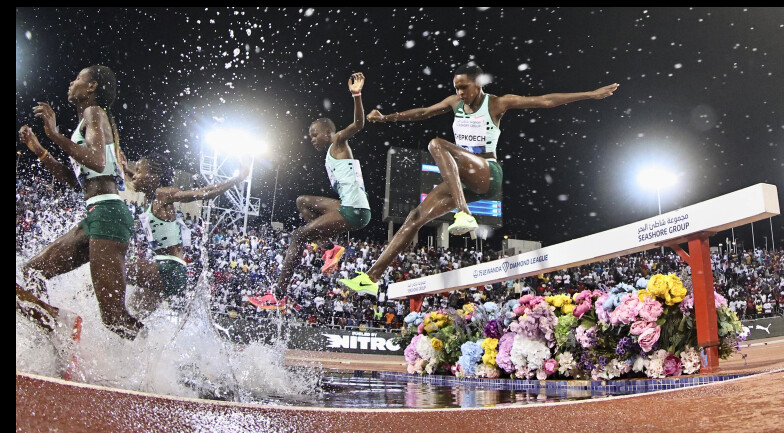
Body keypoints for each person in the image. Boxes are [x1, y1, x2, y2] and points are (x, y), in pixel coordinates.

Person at [341, 63, 618, 295]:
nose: (459, 93)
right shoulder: (455, 103)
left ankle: (464, 213)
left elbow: (545, 100)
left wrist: (590, 94)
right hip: (461, 180)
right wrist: (387, 118)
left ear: (478, 85)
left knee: (437, 144)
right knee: (414, 217)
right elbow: (424, 112)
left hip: (487, 172)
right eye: (456, 88)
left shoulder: (496, 103)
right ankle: (371, 278)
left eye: (464, 87)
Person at [17, 65, 143, 340]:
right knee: (32, 274)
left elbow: (96, 160)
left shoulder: (94, 112)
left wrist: (54, 135)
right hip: (97, 213)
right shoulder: (87, 121)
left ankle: (158, 355)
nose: (71, 82)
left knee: (114, 319)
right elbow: (77, 182)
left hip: (109, 215)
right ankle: (60, 328)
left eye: (78, 79)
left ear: (92, 87)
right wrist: (40, 150)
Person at [274, 73, 373, 295]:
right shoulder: (331, 152)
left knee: (298, 236)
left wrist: (357, 95)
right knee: (302, 202)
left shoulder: (337, 141)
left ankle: (279, 292)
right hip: (350, 205)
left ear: (328, 133)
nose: (312, 139)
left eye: (314, 134)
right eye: (310, 136)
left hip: (355, 209)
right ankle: (328, 247)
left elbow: (359, 124)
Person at [121, 151, 250, 314]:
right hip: (171, 271)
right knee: (130, 317)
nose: (134, 176)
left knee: (113, 266)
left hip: (169, 268)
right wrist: (125, 169)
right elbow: (142, 181)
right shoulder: (154, 195)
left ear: (154, 177)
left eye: (139, 171)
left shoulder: (163, 194)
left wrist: (238, 178)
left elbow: (204, 193)